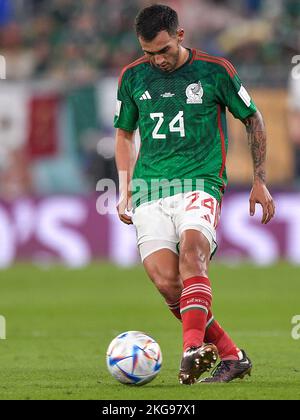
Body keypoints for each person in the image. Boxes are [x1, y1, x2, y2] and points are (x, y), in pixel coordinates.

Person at [114, 4, 275, 385]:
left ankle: (190, 351)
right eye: (149, 52)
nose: (158, 60)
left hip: (200, 182)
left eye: (164, 50)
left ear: (180, 36)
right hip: (151, 187)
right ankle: (232, 356)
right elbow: (123, 134)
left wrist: (259, 179)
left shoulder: (215, 70)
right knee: (167, 282)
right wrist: (124, 188)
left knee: (192, 255)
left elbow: (253, 117)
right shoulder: (133, 77)